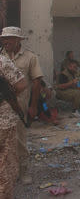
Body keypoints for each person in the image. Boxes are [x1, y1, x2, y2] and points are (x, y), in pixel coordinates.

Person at [0, 26, 43, 184]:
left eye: (9, 38)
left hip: (20, 105)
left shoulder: (30, 57)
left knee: (20, 139)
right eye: (4, 38)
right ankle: (7, 172)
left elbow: (37, 81)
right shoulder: (0, 57)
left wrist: (33, 106)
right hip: (2, 107)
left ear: (18, 40)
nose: (5, 41)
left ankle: (23, 171)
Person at [0, 54, 27, 198]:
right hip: (4, 122)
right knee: (6, 161)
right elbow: (21, 84)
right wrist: (7, 96)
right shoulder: (2, 61)